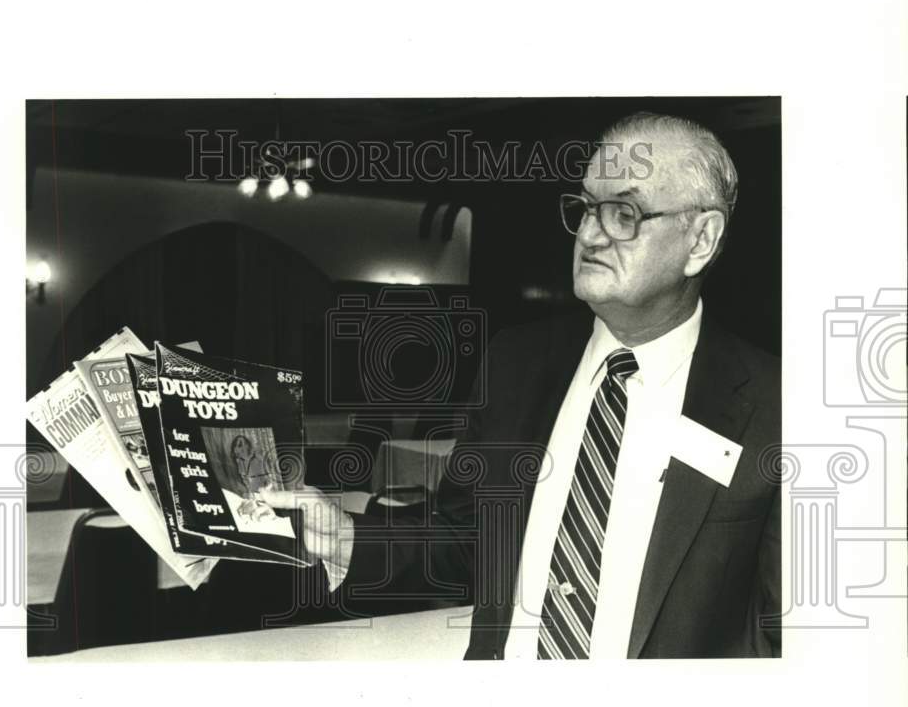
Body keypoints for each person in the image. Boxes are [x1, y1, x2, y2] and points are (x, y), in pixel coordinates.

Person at [263, 112, 781, 659]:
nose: (588, 234)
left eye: (623, 212)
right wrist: (345, 534)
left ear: (701, 239)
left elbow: (785, 635)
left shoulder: (776, 405)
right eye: (583, 208)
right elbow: (469, 540)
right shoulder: (518, 363)